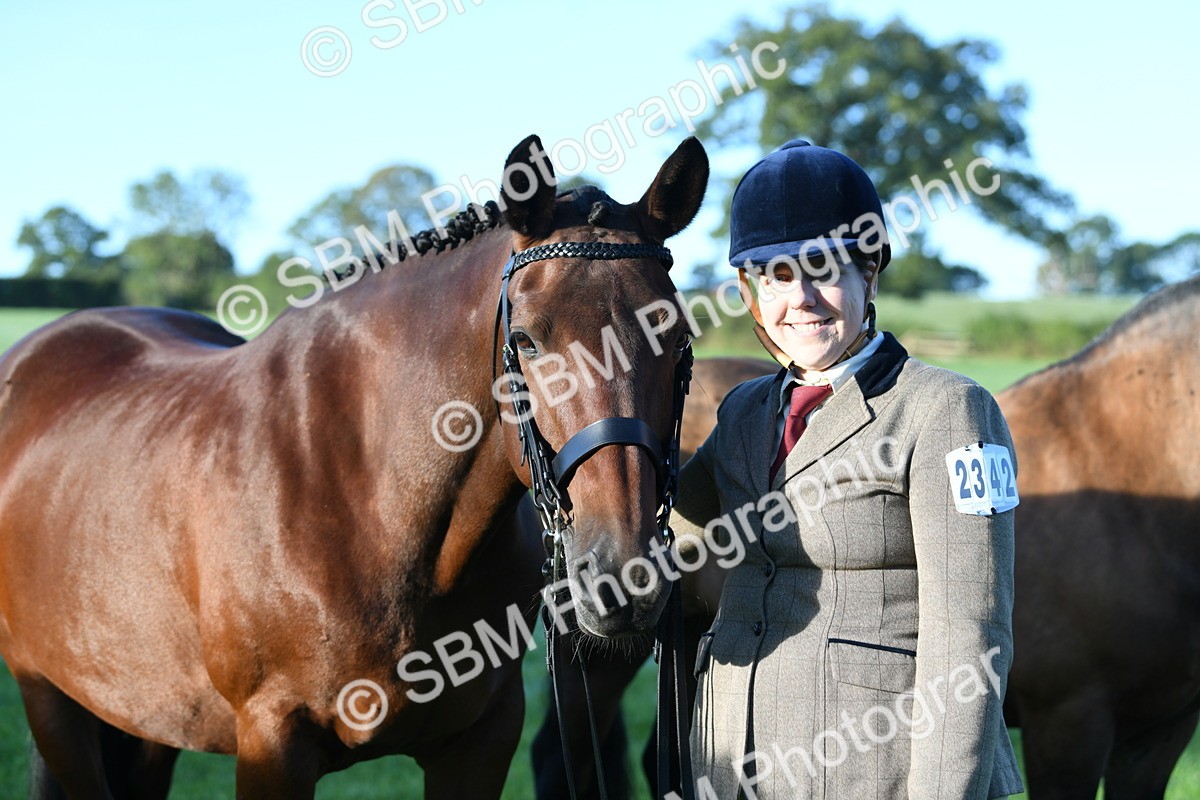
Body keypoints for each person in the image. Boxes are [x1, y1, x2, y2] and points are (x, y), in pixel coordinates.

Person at [674, 140, 1025, 799]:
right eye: (777, 275)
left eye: (822, 268)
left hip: (875, 773)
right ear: (752, 291)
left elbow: (970, 638)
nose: (800, 298)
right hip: (729, 767)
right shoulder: (744, 413)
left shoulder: (952, 412)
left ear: (870, 271)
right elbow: (667, 540)